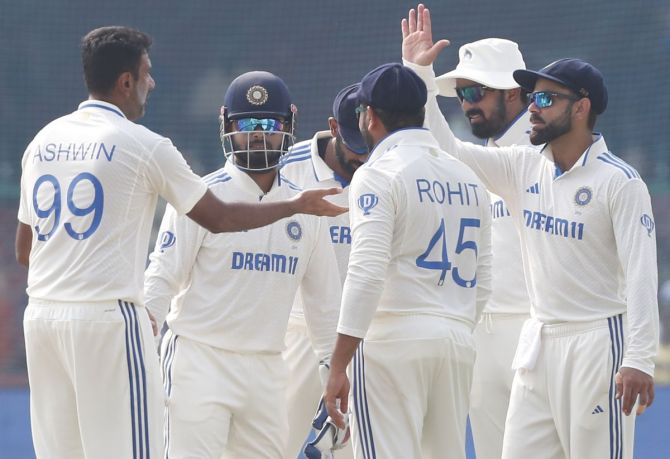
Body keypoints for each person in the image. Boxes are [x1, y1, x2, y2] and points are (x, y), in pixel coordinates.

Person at [15, 26, 344, 459]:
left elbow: (25, 250)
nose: (152, 83)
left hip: (44, 315)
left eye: (269, 124)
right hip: (167, 345)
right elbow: (217, 221)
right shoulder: (148, 146)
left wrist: (331, 367)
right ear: (126, 81)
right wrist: (296, 206)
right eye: (147, 73)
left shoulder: (42, 141)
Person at [401, 4, 659, 458]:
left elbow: (641, 275)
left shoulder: (618, 181)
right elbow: (449, 148)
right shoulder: (523, 166)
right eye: (533, 97)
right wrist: (419, 74)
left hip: (597, 341)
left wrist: (639, 357)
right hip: (536, 344)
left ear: (581, 108)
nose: (534, 109)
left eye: (545, 100)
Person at [144, 70, 342, 459]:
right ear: (226, 126)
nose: (257, 134)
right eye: (246, 124)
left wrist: (333, 371)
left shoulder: (307, 207)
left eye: (268, 124)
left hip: (268, 369)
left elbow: (325, 307)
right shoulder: (200, 195)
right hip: (199, 362)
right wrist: (141, 343)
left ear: (289, 125)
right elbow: (162, 277)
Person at [324, 62, 492, 459]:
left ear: (370, 117)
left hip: (392, 343)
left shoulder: (377, 173)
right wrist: (448, 322)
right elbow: (484, 280)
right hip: (456, 341)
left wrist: (337, 365)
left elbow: (366, 273)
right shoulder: (467, 177)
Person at [414, 37, 533, 459]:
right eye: (462, 94)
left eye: (475, 92)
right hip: (481, 334)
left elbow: (446, 146)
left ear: (514, 92)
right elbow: (438, 146)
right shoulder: (488, 154)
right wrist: (421, 76)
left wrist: (422, 79)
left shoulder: (542, 152)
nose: (466, 104)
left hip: (535, 332)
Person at [280, 82, 369, 459]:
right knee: (283, 445)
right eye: (355, 147)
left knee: (359, 449)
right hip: (297, 330)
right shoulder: (285, 167)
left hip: (367, 333)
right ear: (334, 128)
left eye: (372, 145)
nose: (365, 158)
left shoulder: (388, 166)